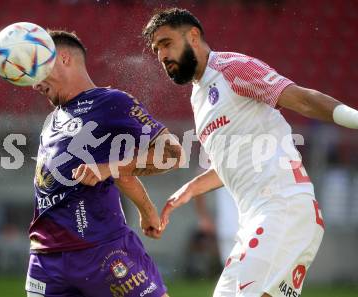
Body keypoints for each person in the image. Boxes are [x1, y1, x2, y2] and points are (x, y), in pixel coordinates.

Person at [142, 8, 358, 297]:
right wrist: (190, 190)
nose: (162, 56)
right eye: (156, 50)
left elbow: (303, 99)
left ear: (193, 36)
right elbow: (232, 162)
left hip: (281, 209)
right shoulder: (199, 97)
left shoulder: (232, 69)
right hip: (258, 220)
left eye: (167, 43)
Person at [27, 30, 183, 297]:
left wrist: (107, 169)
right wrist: (147, 211)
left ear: (63, 59)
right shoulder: (52, 120)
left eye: (38, 68)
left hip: (101, 252)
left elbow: (173, 153)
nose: (33, 83)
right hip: (45, 261)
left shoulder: (111, 102)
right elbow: (117, 168)